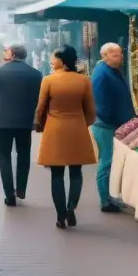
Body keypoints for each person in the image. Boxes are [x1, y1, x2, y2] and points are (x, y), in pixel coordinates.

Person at [34, 45, 97, 229]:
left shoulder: (48, 80)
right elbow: (91, 110)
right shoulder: (84, 80)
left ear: (61, 61)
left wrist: (39, 123)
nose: (51, 61)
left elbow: (41, 107)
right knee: (76, 171)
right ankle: (71, 207)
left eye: (53, 58)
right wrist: (84, 123)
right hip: (77, 126)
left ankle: (61, 214)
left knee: (57, 174)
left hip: (55, 128)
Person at [0, 44, 43, 206]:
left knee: (4, 156)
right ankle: (21, 189)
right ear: (24, 55)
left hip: (3, 121)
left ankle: (9, 194)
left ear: (11, 54)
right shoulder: (35, 74)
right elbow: (41, 98)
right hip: (25, 122)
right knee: (24, 154)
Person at [90, 42, 135, 213]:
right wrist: (117, 122)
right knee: (106, 161)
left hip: (113, 124)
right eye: (115, 55)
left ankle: (109, 197)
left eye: (120, 54)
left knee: (110, 161)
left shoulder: (112, 70)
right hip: (106, 125)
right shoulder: (102, 75)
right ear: (105, 56)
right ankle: (105, 200)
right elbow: (101, 105)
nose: (120, 57)